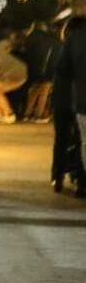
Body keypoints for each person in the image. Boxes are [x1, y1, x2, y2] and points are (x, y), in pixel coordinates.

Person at [52, 13, 86, 198]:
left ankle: (57, 176)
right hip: (77, 98)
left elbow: (61, 69)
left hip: (70, 98)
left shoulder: (73, 40)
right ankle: (81, 180)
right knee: (81, 141)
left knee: (63, 138)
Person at [0, 28, 28, 124]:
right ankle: (4, 114)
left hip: (14, 75)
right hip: (21, 69)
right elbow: (9, 44)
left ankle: (4, 114)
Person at [22, 20, 61, 122]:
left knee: (34, 91)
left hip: (34, 69)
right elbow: (53, 57)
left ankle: (27, 114)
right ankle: (39, 115)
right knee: (44, 91)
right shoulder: (54, 41)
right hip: (47, 70)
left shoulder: (32, 38)